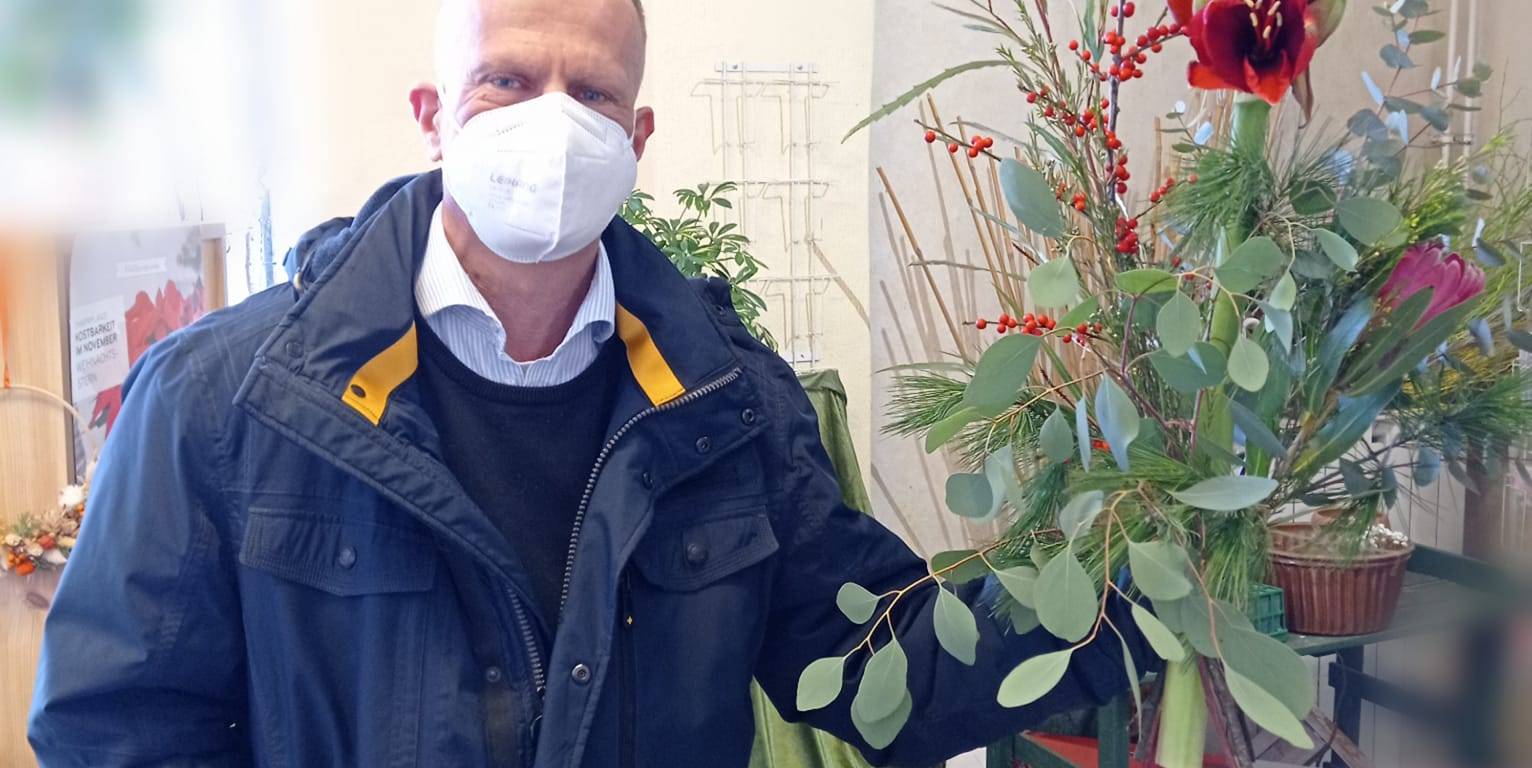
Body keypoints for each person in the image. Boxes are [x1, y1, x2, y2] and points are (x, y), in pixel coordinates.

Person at [28, 0, 1152, 765]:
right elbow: (116, 727)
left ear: (637, 133)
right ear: (432, 117)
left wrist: (1144, 591)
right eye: (506, 81)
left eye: (592, 92)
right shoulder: (224, 404)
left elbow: (882, 663)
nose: (551, 121)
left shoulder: (727, 408)